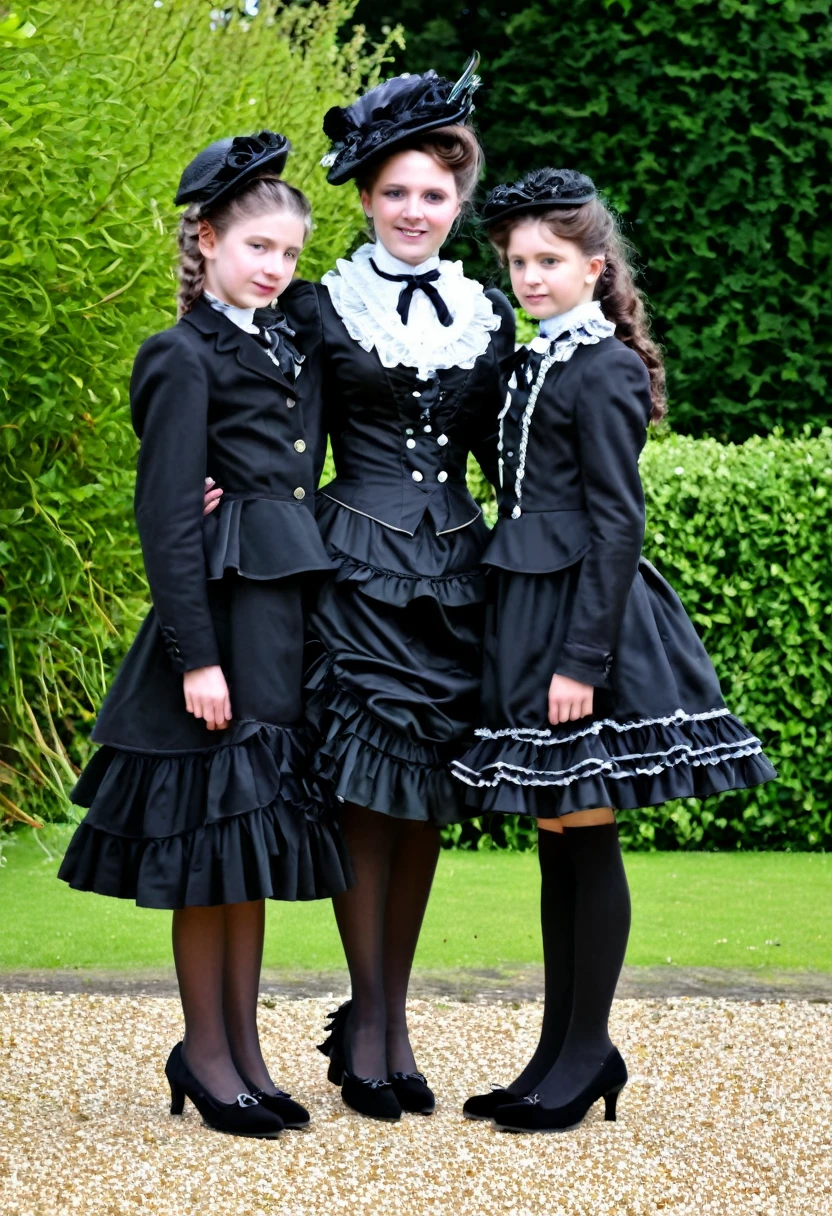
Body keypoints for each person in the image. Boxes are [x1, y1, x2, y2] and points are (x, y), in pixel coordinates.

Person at [452, 168, 777, 1133]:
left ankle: (587, 1051)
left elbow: (617, 523)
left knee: (586, 835)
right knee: (558, 839)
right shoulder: (531, 361)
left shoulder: (603, 368)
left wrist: (580, 661)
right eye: (518, 262)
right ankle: (556, 1051)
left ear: (595, 268)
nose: (530, 277)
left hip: (584, 625)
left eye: (549, 261)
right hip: (527, 608)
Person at [58, 131, 353, 1139]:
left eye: (288, 253)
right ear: (209, 240)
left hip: (284, 621)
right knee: (207, 849)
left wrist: (304, 300)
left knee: (254, 846)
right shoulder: (179, 356)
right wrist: (200, 659)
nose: (274, 267)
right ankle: (207, 1052)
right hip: (220, 630)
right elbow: (167, 520)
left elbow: (322, 356)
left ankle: (248, 1052)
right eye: (256, 247)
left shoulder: (283, 340)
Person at [281, 56, 514, 1121]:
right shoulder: (320, 306)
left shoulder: (487, 312)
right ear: (367, 198)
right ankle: (370, 1023)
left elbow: (511, 456)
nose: (415, 210)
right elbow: (283, 444)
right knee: (362, 801)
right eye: (397, 192)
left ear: (457, 201)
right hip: (355, 570)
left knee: (423, 805)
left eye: (435, 193)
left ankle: (392, 1017)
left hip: (456, 578)